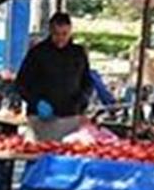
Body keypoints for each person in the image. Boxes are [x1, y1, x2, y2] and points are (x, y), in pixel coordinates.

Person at [14, 11, 94, 141]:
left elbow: (88, 82)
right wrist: (36, 102)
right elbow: (21, 84)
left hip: (70, 116)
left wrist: (82, 101)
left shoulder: (78, 53)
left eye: (64, 34)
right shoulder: (37, 53)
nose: (60, 38)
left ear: (70, 31)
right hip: (41, 119)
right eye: (56, 34)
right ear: (50, 31)